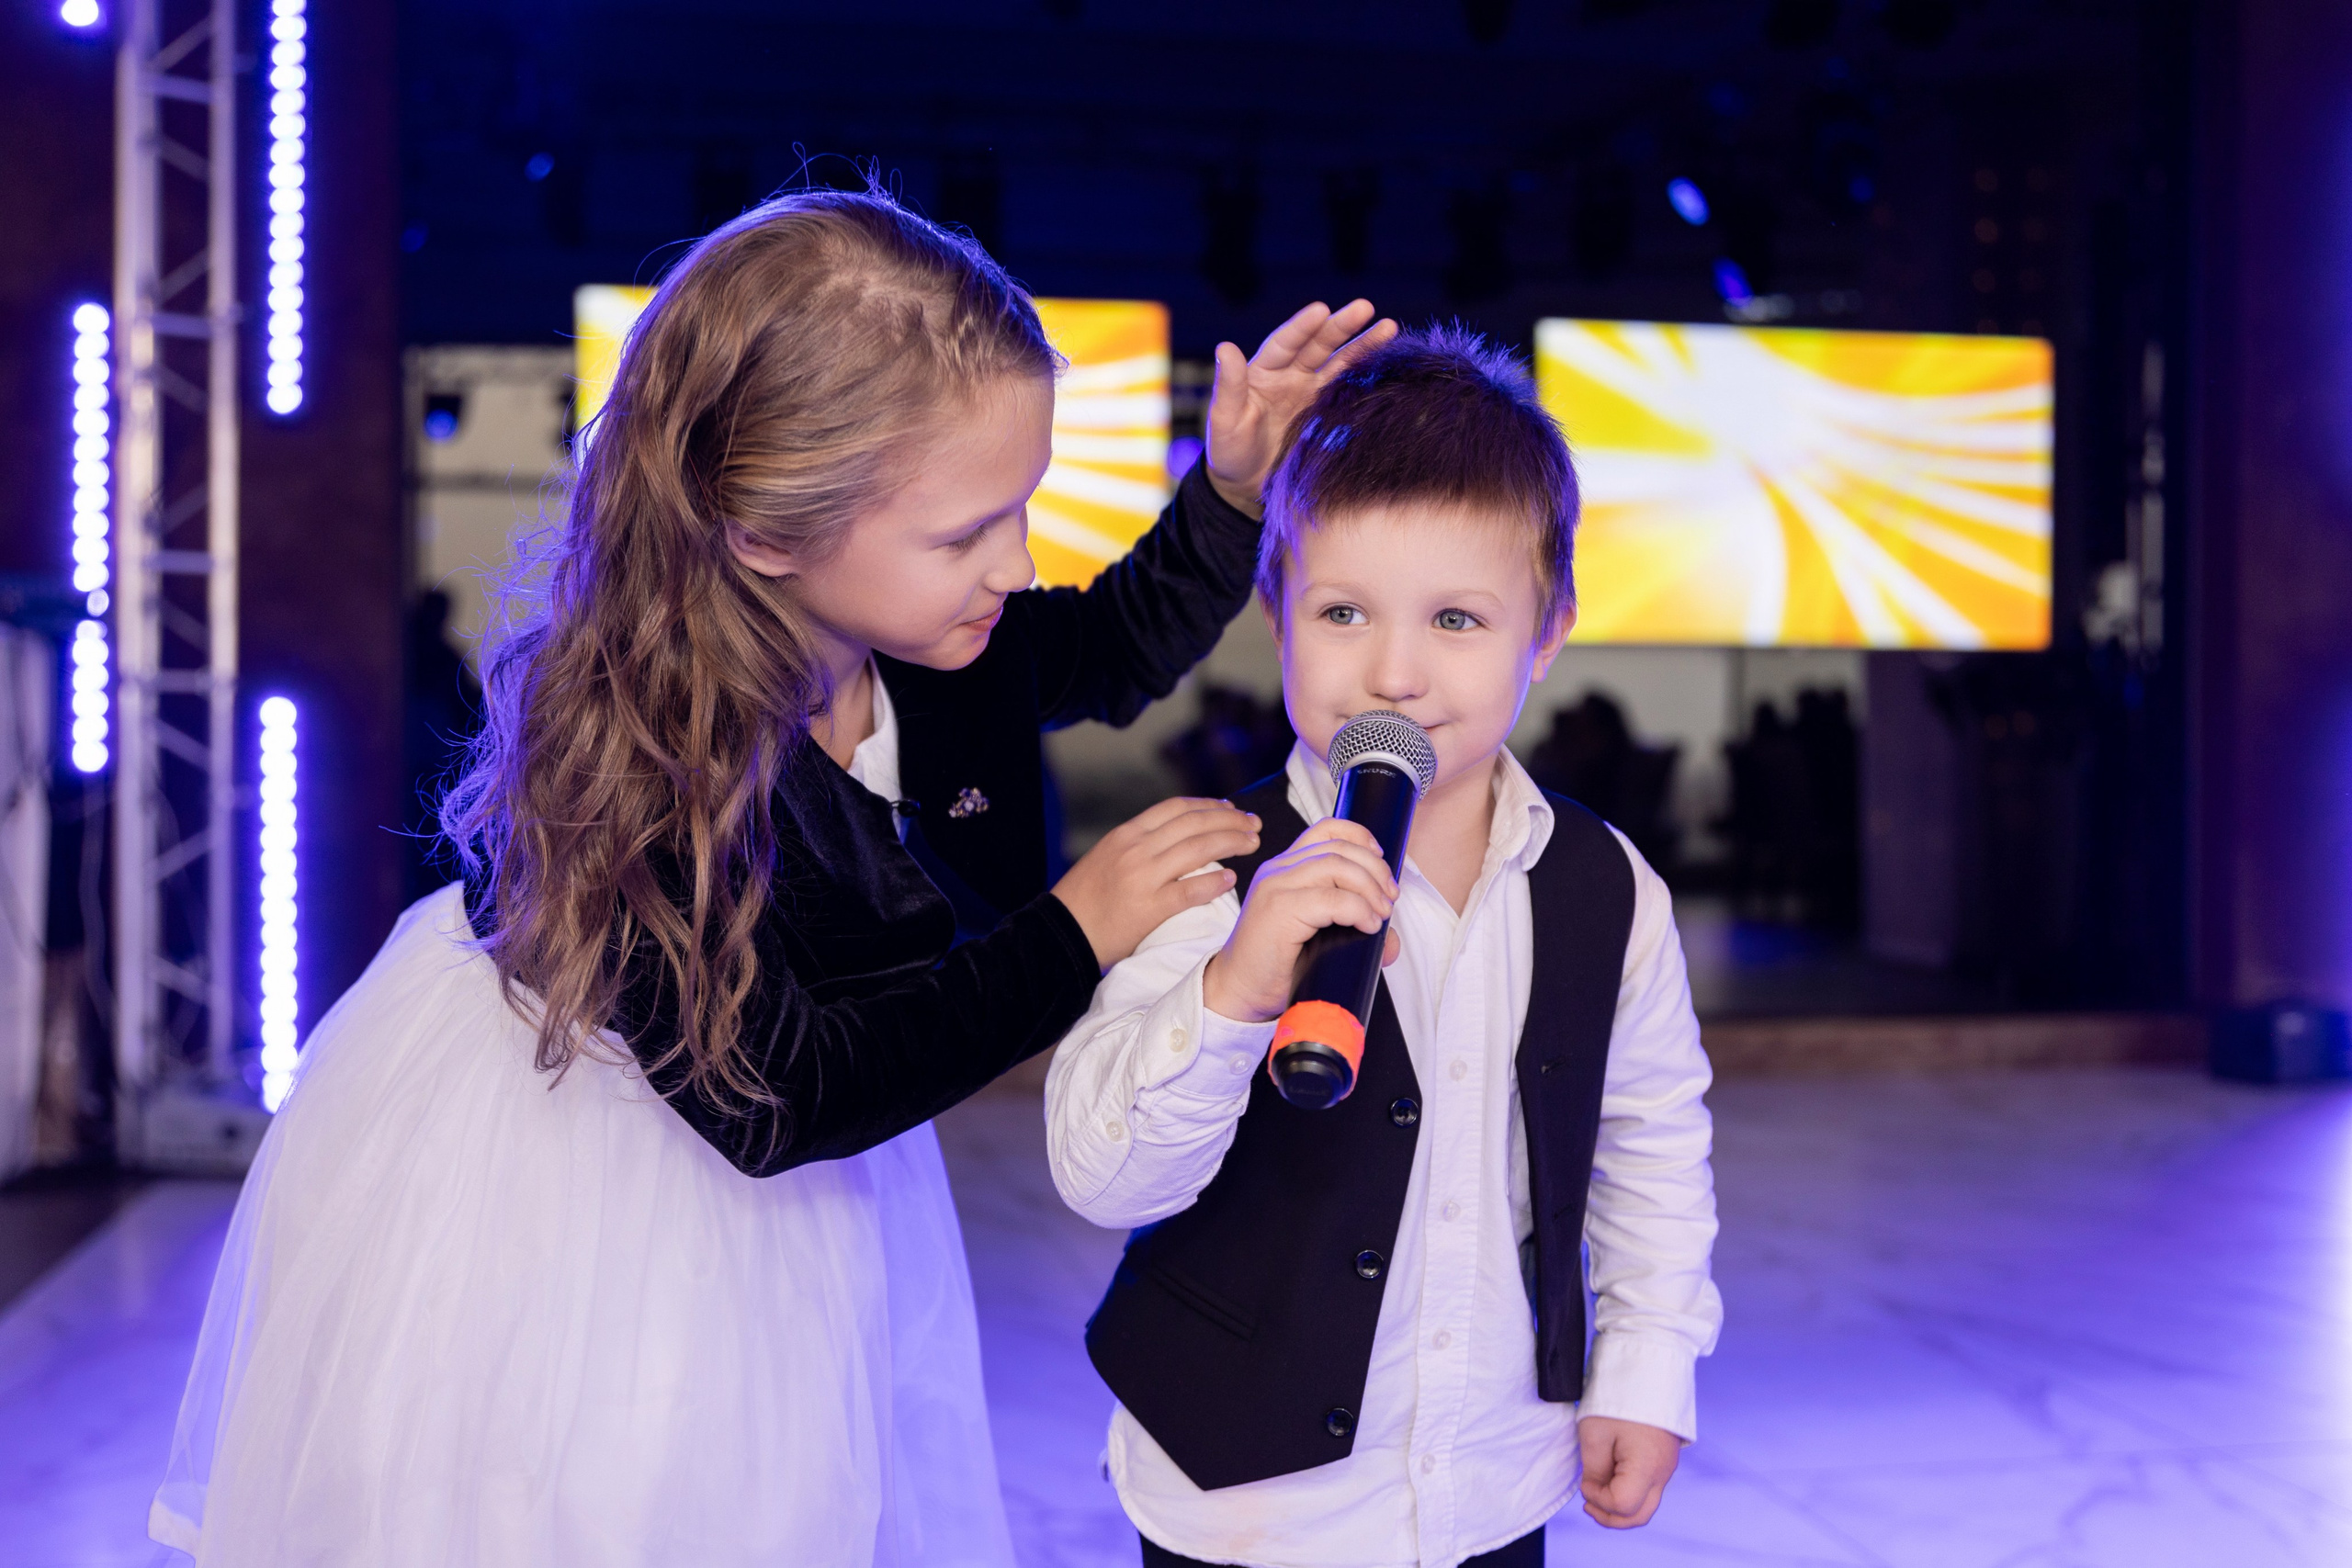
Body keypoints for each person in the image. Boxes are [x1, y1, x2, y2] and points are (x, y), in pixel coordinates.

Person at [151, 188, 1395, 1567]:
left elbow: (1112, 643)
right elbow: (776, 1101)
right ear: (766, 531)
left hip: (818, 1131)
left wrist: (1230, 493)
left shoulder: (937, 642)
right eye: (964, 533)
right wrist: (1072, 933)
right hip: (602, 1170)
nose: (1018, 562)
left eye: (1022, 510)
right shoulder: (630, 765)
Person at [1045, 327, 1722, 1568]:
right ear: (1276, 611)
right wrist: (1235, 986)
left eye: (1457, 619)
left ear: (1547, 631)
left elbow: (1649, 1139)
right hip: (1243, 1505)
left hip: (1489, 1480)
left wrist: (1647, 1363)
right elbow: (1104, 1180)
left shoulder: (1605, 884)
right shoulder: (1208, 864)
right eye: (1343, 611)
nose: (1395, 672)